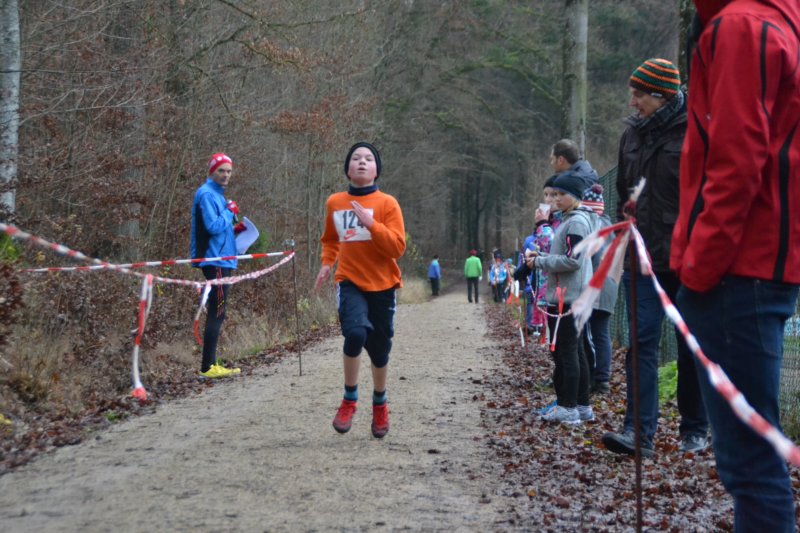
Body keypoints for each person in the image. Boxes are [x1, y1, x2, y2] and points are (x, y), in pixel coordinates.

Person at [671, 1, 800, 530]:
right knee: (752, 459)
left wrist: (699, 269)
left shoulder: (743, 26)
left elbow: (737, 161)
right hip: (758, 266)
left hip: (736, 272)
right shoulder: (772, 20)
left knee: (750, 464)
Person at [602, 58, 709, 458]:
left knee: (689, 345)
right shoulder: (631, 134)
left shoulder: (698, 129)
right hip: (642, 259)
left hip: (688, 259)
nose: (632, 103)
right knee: (641, 341)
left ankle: (695, 429)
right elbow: (623, 190)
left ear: (661, 96)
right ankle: (637, 432)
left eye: (639, 95)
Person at [314, 142, 406, 439]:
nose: (362, 162)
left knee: (379, 351)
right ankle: (349, 398)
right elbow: (331, 239)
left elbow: (397, 248)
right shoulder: (335, 202)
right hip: (349, 280)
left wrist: (372, 224)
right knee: (355, 334)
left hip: (383, 284)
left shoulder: (387, 204)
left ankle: (380, 402)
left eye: (368, 158)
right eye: (356, 158)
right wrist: (327, 264)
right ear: (348, 169)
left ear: (377, 169)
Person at [522, 172, 594, 424]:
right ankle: (581, 406)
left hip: (569, 297)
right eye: (553, 194)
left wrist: (540, 262)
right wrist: (541, 256)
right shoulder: (570, 220)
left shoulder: (576, 223)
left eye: (561, 194)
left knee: (567, 353)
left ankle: (567, 407)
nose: (556, 199)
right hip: (571, 295)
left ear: (575, 195)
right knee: (575, 351)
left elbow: (573, 261)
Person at [190, 153, 243, 379]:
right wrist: (230, 211)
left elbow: (220, 229)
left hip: (223, 259)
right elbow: (212, 226)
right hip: (215, 261)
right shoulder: (206, 194)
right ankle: (208, 366)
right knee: (218, 311)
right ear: (212, 171)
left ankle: (210, 363)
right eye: (221, 170)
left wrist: (236, 230)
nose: (225, 175)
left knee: (218, 311)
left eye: (229, 171)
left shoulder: (218, 196)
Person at [581, 183, 617, 395]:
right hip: (609, 286)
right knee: (602, 332)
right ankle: (602, 378)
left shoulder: (589, 228)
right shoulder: (609, 226)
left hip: (593, 286)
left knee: (588, 334)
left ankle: (594, 376)